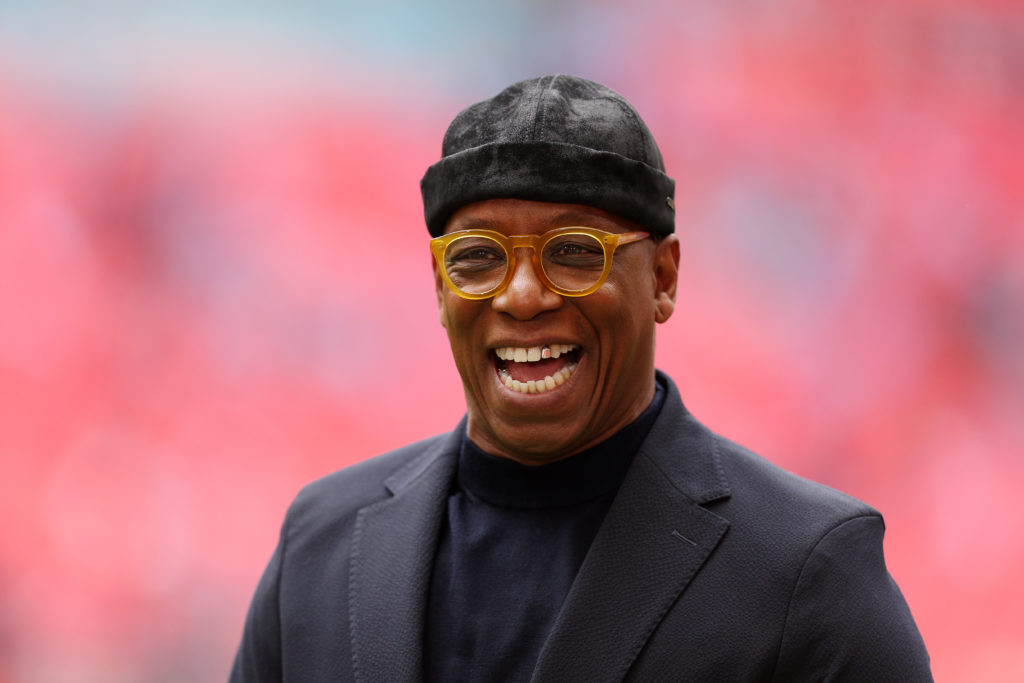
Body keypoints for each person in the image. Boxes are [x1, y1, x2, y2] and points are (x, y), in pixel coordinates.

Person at [229, 74, 932, 682]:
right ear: (441, 288)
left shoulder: (808, 571)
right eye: (478, 256)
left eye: (574, 251)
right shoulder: (321, 544)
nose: (523, 295)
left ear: (663, 276)